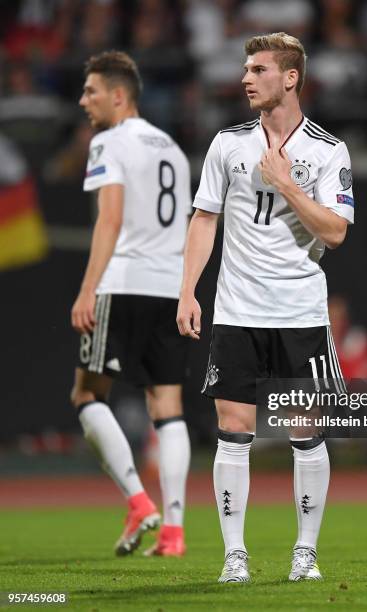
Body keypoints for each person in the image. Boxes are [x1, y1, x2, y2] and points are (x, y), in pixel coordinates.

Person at [177, 32, 354, 583]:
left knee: (305, 430)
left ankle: (305, 553)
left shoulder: (328, 150)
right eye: (246, 69)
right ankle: (235, 555)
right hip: (236, 309)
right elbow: (204, 217)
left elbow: (337, 231)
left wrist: (287, 186)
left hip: (300, 312)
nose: (246, 78)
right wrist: (187, 289)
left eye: (258, 69)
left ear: (291, 77)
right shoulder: (227, 144)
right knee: (233, 427)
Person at [70, 51, 191, 557]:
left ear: (119, 96)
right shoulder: (175, 151)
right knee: (168, 408)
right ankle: (175, 531)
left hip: (123, 283)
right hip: (168, 286)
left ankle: (140, 502)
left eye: (92, 91)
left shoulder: (109, 142)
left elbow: (110, 219)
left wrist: (87, 287)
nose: (83, 101)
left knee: (86, 397)